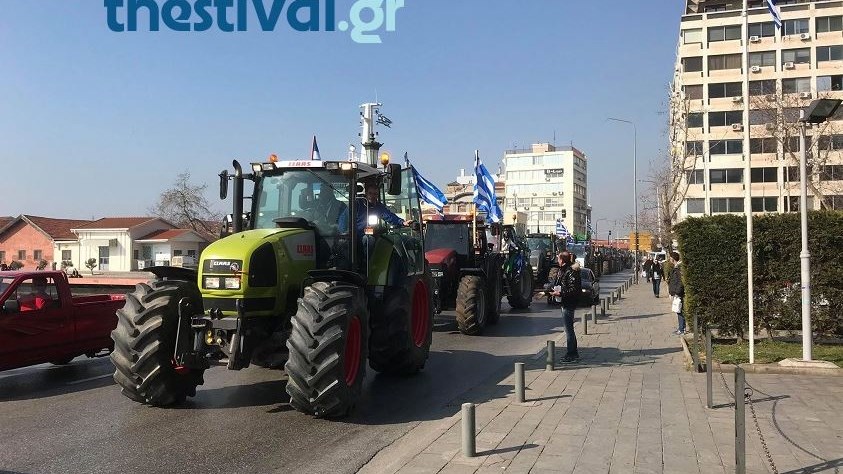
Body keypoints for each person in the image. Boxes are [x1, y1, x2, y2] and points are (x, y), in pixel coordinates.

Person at [550, 251, 582, 363]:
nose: (557, 260)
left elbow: (574, 289)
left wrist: (561, 293)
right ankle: (574, 352)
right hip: (565, 302)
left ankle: (571, 354)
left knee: (568, 330)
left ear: (562, 260)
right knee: (569, 329)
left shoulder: (571, 271)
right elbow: (558, 284)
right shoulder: (563, 270)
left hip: (569, 303)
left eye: (558, 258)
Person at [667, 251, 685, 335]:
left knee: (679, 310)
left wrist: (677, 292)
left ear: (673, 258)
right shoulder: (675, 267)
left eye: (670, 257)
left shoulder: (678, 269)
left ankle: (682, 329)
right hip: (676, 293)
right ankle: (681, 328)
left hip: (678, 294)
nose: (669, 259)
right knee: (678, 310)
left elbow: (679, 282)